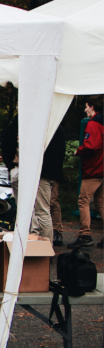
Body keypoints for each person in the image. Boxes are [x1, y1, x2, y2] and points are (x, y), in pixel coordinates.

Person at [70, 97, 104, 249]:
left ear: (92, 107)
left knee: (83, 201)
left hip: (93, 169)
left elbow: (91, 145)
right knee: (101, 202)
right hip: (102, 168)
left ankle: (85, 234)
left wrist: (79, 151)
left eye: (86, 107)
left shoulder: (93, 123)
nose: (85, 110)